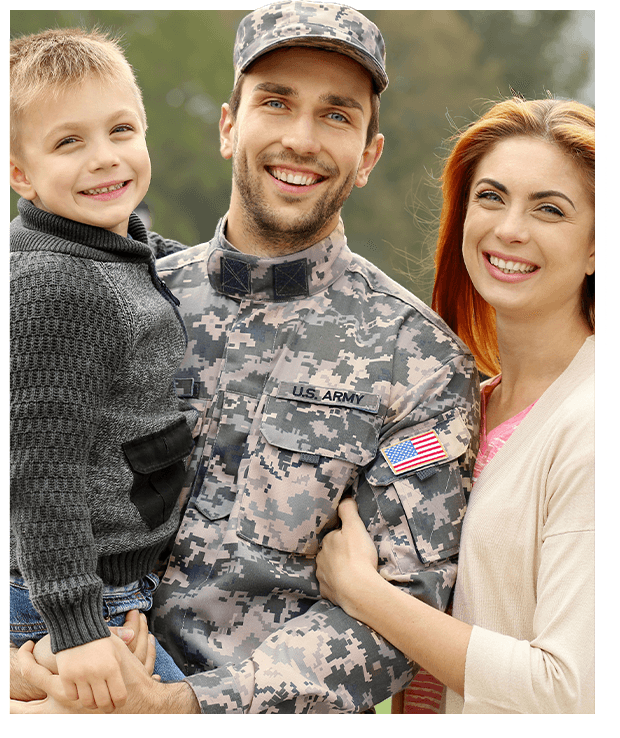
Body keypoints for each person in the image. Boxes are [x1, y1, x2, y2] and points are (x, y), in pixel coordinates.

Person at [11, 2, 478, 714]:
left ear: (368, 157)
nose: (301, 138)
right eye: (276, 101)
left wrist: (182, 705)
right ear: (230, 127)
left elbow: (398, 616)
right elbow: (30, 475)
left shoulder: (417, 362)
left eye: (337, 115)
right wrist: (29, 658)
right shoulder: (119, 293)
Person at [316, 95, 596, 714]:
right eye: (491, 197)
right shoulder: (456, 406)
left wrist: (364, 593)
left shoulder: (588, 426)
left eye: (550, 209)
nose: (510, 229)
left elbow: (569, 690)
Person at [9, 27, 198, 712]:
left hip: (113, 584)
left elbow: (149, 265)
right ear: (20, 174)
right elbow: (39, 468)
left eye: (121, 130)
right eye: (69, 142)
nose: (105, 158)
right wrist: (78, 627)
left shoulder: (109, 249)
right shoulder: (54, 286)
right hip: (75, 595)